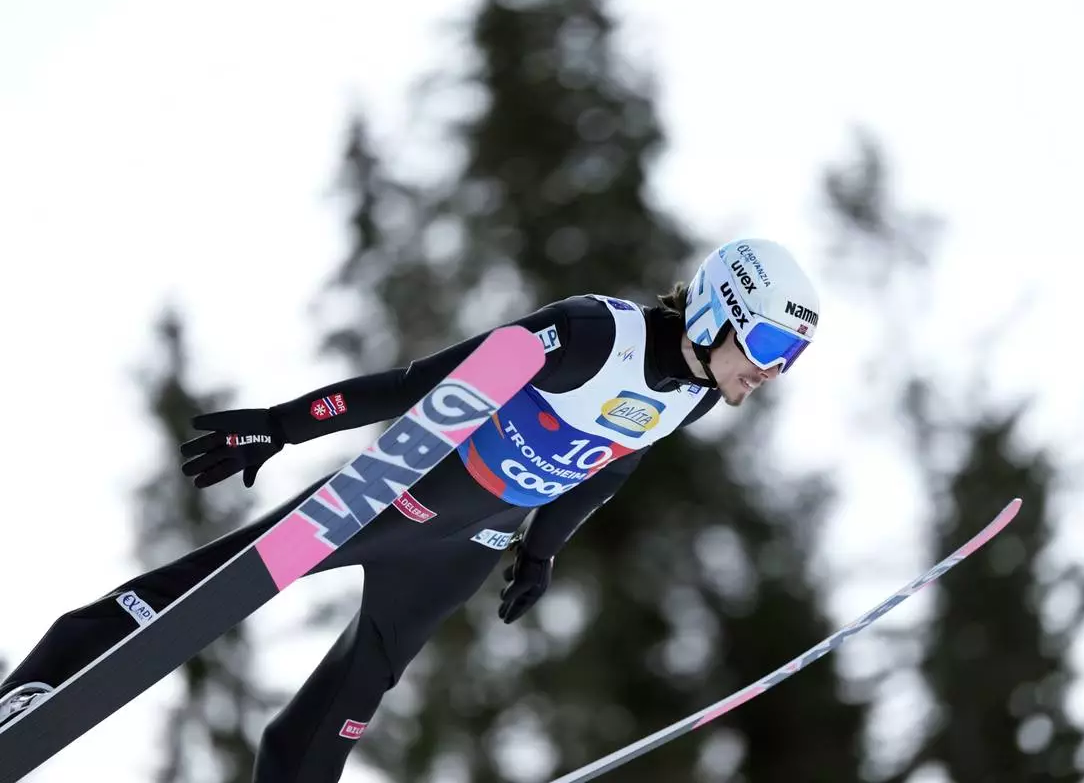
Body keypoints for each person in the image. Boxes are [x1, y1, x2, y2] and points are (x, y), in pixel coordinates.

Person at [0, 238, 821, 781]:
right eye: (770, 347)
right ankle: (37, 689)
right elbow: (416, 384)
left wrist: (540, 553)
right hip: (396, 499)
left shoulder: (692, 398)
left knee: (342, 711)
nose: (772, 372)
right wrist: (282, 426)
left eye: (790, 358)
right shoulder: (588, 336)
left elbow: (607, 468)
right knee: (205, 587)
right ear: (717, 310)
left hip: (464, 549)